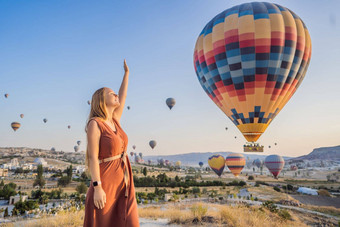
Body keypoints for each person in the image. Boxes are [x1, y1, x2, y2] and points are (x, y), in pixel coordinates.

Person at [83, 60, 140, 227]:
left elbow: (124, 95)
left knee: (129, 219)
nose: (116, 95)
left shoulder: (115, 120)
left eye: (115, 93)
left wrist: (127, 74)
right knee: (104, 220)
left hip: (124, 179)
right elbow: (93, 158)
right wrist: (97, 187)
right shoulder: (95, 123)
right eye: (111, 93)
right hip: (105, 180)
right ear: (101, 99)